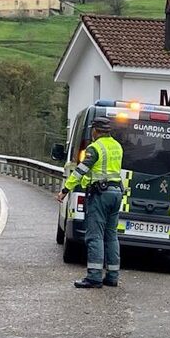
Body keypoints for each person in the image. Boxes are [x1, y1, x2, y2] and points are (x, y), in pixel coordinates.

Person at [56, 117, 124, 288]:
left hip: (101, 195)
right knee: (111, 236)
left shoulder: (94, 148)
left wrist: (65, 190)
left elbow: (80, 171)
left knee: (95, 236)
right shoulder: (117, 146)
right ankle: (112, 276)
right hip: (116, 193)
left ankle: (94, 277)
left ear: (95, 130)